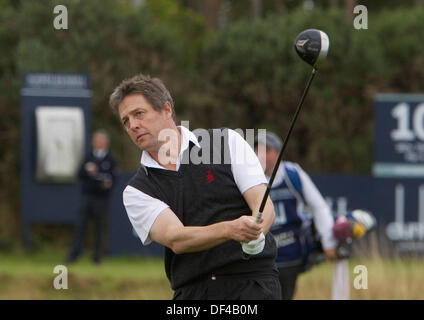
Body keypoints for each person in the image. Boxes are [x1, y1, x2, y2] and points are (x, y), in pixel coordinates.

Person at [109, 74, 281, 300]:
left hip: (253, 285)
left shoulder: (226, 142)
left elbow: (262, 202)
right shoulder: (137, 190)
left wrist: (257, 229)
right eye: (126, 121)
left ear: (167, 110)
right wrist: (231, 230)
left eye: (139, 114)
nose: (133, 125)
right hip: (193, 293)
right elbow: (176, 238)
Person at [254, 131, 337, 300]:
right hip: (261, 257)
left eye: (266, 150)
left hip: (290, 255)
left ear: (277, 153)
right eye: (257, 150)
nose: (260, 155)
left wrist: (328, 242)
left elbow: (319, 207)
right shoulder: (250, 177)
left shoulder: (293, 174)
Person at [67, 129, 117, 264]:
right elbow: (79, 175)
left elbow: (113, 178)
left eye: (101, 140)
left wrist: (108, 183)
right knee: (80, 226)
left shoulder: (111, 159)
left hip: (102, 199)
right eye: (96, 140)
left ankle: (97, 257)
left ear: (106, 143)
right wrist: (87, 171)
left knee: (100, 228)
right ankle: (74, 255)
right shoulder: (87, 157)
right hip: (87, 197)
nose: (99, 143)